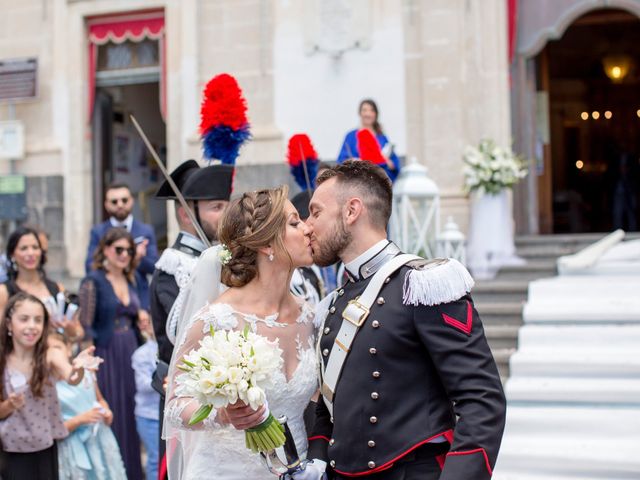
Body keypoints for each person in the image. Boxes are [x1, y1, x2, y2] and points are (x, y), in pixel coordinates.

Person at [304, 161, 506, 480]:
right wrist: (316, 460)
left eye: (315, 212)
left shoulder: (423, 285)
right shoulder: (334, 303)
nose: (307, 225)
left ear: (351, 211)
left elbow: (481, 399)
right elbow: (327, 407)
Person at [164, 186, 325, 479]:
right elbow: (175, 407)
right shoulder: (217, 319)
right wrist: (222, 414)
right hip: (226, 470)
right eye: (294, 223)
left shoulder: (309, 316)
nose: (307, 228)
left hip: (296, 468)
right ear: (266, 245)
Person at [150, 160, 234, 479]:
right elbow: (188, 335)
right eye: (217, 207)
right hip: (188, 402)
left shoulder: (216, 258)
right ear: (187, 213)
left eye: (229, 205)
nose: (226, 214)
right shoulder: (174, 267)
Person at [0, 292, 99, 480]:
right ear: (8, 324)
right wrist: (10, 405)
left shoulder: (49, 355)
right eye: (24, 319)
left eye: (38, 320)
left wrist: (78, 368)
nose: (32, 326)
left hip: (44, 447)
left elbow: (71, 377)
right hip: (11, 450)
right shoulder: (2, 361)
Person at [78, 228, 145, 480]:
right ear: (105, 249)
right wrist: (89, 367)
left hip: (131, 353)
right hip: (105, 354)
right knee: (112, 414)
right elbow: (85, 327)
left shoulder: (133, 279)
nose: (124, 255)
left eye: (128, 250)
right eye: (118, 249)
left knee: (131, 414)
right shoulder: (92, 281)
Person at [49, 331, 127, 480]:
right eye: (48, 349)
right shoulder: (47, 385)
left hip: (100, 439)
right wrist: (80, 419)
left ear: (68, 348)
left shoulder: (86, 373)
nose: (53, 353)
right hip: (73, 446)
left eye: (57, 347)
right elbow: (52, 430)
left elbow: (99, 399)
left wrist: (106, 411)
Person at [0, 227, 83, 342]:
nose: (30, 253)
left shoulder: (56, 288)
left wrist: (69, 328)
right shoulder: (4, 291)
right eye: (24, 248)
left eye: (35, 247)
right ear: (12, 254)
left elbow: (78, 333)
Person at [84, 182, 158, 309]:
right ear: (106, 205)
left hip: (140, 300)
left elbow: (155, 267)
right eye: (114, 201)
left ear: (132, 201)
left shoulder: (145, 230)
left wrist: (139, 259)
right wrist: (121, 259)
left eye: (124, 200)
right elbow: (90, 266)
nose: (120, 205)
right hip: (109, 298)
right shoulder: (98, 232)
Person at [337, 99, 401, 182]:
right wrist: (354, 161)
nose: (368, 114)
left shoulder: (382, 138)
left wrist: (386, 161)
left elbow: (394, 165)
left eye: (371, 110)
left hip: (378, 182)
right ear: (360, 113)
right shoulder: (351, 136)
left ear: (376, 114)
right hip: (357, 181)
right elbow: (341, 161)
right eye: (365, 110)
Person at [132, 321, 160, 480]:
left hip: (165, 415)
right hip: (149, 416)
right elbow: (142, 384)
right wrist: (164, 380)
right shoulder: (141, 354)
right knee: (154, 459)